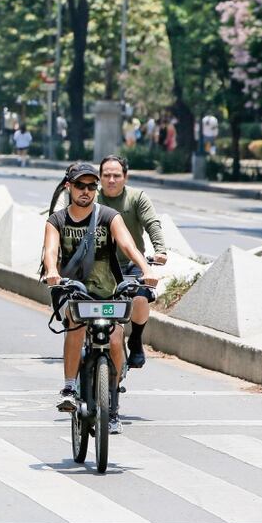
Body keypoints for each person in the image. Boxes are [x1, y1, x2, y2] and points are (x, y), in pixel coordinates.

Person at [41, 163, 158, 435]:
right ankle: (70, 386)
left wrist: (146, 269)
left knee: (116, 339)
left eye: (91, 186)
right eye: (80, 186)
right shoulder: (57, 220)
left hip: (108, 290)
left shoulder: (108, 215)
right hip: (73, 288)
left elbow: (128, 244)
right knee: (76, 325)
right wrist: (52, 271)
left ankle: (113, 403)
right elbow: (50, 250)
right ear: (68, 187)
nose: (86, 191)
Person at [96, 155, 167, 368]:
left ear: (125, 177)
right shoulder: (91, 198)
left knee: (140, 297)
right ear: (99, 177)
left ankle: (135, 339)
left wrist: (160, 250)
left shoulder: (137, 197)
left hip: (132, 262)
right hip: (99, 265)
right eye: (106, 175)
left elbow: (152, 223)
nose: (111, 180)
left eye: (116, 175)